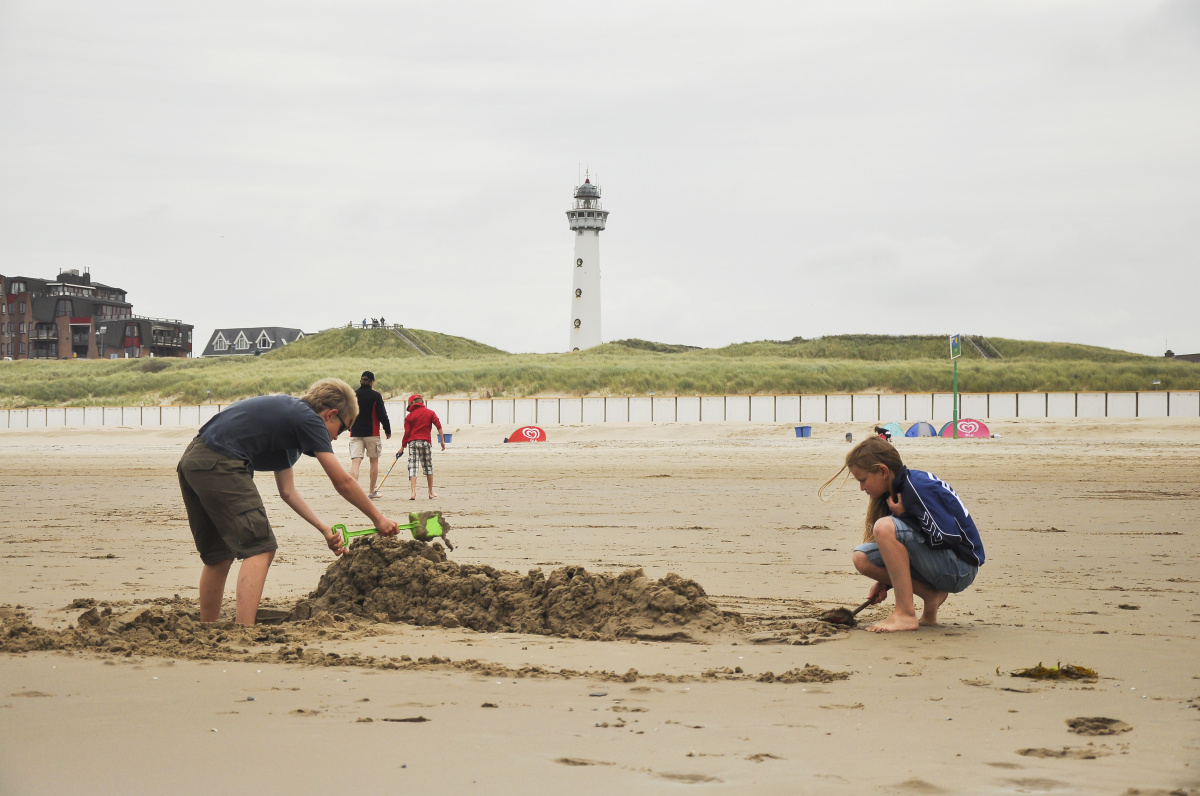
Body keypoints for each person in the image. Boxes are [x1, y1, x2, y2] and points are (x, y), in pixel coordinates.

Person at [177, 378, 400, 625]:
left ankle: (208, 627)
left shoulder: (288, 419)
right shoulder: (309, 419)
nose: (336, 439)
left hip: (193, 461)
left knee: (218, 555)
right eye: (342, 429)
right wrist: (378, 519)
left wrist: (325, 530)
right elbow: (343, 482)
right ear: (330, 415)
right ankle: (244, 631)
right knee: (261, 547)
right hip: (220, 461)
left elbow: (287, 491)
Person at [818, 436, 984, 633]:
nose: (862, 487)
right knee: (862, 558)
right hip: (941, 562)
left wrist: (905, 516)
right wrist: (886, 582)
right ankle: (931, 597)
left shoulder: (917, 488)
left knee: (884, 527)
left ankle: (905, 614)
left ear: (883, 471)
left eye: (863, 480)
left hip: (960, 567)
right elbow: (906, 546)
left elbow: (946, 537)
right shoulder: (896, 490)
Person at [348, 370, 392, 499]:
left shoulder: (353, 395)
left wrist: (343, 428)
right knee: (373, 461)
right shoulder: (376, 396)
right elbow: (382, 415)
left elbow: (347, 413)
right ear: (372, 382)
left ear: (360, 381)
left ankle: (353, 492)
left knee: (355, 462)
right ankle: (372, 491)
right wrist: (387, 430)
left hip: (355, 432)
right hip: (372, 433)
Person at [400, 393, 444, 500]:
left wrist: (402, 446)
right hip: (425, 442)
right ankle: (430, 492)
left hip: (413, 442)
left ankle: (413, 492)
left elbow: (407, 433)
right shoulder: (430, 413)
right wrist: (442, 440)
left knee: (413, 467)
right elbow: (438, 426)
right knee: (428, 466)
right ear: (421, 402)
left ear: (412, 404)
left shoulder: (409, 417)